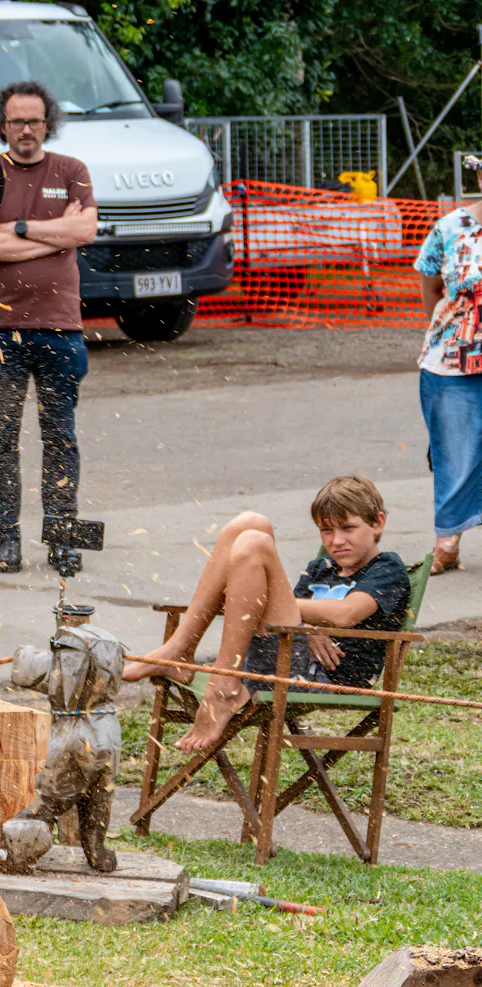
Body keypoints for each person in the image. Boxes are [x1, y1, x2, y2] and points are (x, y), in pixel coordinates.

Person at [122, 476, 411, 752]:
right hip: (283, 659)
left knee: (254, 544)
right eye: (326, 530)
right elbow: (290, 616)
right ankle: (179, 650)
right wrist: (306, 626)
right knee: (249, 523)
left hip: (322, 678)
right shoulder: (320, 568)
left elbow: (346, 614)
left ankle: (223, 686)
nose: (336, 541)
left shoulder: (387, 569)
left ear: (378, 523)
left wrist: (256, 600)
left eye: (348, 528)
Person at [0, 81, 97, 578]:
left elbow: (84, 231)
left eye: (34, 121)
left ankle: (64, 540)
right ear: (3, 124)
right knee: (1, 439)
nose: (26, 130)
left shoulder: (72, 170)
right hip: (2, 332)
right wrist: (50, 235)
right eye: (17, 121)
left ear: (48, 123)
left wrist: (17, 227)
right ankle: (7, 540)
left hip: (63, 330)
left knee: (61, 437)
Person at [413, 166, 482, 576]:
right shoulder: (450, 227)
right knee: (454, 451)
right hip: (452, 362)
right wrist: (452, 332)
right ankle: (449, 540)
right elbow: (431, 287)